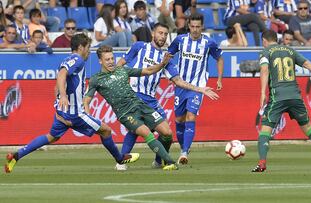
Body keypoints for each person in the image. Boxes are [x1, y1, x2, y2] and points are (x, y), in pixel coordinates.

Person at [4, 33, 139, 173]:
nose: (89, 51)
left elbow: (58, 82)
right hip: (75, 113)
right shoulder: (78, 60)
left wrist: (59, 104)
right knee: (106, 130)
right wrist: (63, 96)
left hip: (63, 112)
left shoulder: (69, 59)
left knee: (51, 137)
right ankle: (120, 159)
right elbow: (62, 74)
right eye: (88, 47)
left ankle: (17, 155)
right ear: (80, 47)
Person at [115, 23, 219, 170]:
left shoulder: (167, 59)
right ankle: (121, 161)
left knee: (167, 133)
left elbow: (178, 81)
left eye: (165, 34)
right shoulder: (139, 47)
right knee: (135, 129)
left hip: (150, 100)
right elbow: (121, 63)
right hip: (134, 95)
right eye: (160, 33)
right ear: (153, 34)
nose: (162, 37)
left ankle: (158, 161)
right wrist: (115, 80)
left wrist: (200, 89)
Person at [252, 30, 311, 172]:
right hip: (295, 96)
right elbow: (310, 65)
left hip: (278, 96)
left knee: (265, 130)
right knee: (308, 128)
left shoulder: (265, 52)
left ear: (264, 40)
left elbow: (264, 70)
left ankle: (262, 163)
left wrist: (263, 92)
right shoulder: (290, 50)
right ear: (277, 39)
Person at [84, 45, 179, 171]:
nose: (111, 61)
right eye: (107, 59)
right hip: (126, 114)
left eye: (112, 58)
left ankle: (158, 161)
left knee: (167, 133)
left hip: (141, 106)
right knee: (147, 133)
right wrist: (89, 119)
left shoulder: (122, 70)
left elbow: (148, 71)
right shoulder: (96, 79)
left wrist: (162, 64)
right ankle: (170, 162)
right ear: (100, 61)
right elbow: (86, 101)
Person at [167, 13, 224, 164]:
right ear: (188, 26)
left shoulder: (209, 42)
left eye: (198, 27)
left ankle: (185, 152)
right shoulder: (180, 40)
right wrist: (171, 74)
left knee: (191, 116)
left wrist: (219, 78)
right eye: (192, 26)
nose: (195, 30)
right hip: (180, 85)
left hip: (198, 87)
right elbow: (168, 56)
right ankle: (183, 147)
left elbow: (219, 58)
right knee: (179, 119)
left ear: (202, 27)